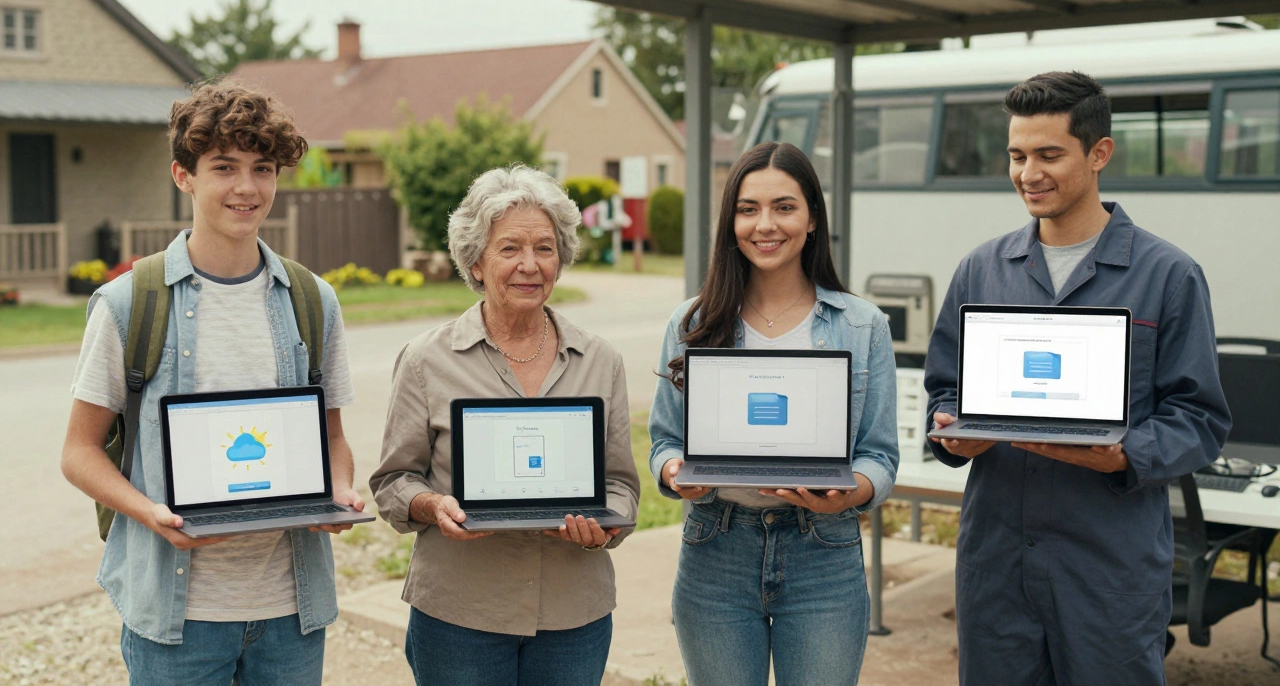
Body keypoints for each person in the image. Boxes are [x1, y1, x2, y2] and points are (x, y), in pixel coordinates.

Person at [925, 71, 1232, 684]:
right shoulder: (981, 270)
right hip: (998, 567)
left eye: (1048, 154)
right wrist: (951, 432)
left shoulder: (1168, 275)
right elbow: (944, 388)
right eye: (1016, 155)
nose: (1027, 173)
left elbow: (1201, 419)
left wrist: (1121, 455)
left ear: (1099, 154)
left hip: (1108, 570)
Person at [59, 79, 362, 684]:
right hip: (178, 621)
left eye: (263, 167)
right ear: (183, 175)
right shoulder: (129, 303)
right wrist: (152, 514)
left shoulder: (312, 300)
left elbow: (332, 439)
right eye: (224, 166)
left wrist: (340, 491)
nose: (246, 188)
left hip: (291, 613)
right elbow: (78, 453)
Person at [369, 165, 641, 686]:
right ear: (475, 261)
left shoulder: (600, 361)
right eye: (510, 248)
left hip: (573, 615)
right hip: (460, 614)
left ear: (561, 258)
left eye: (545, 248)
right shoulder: (427, 360)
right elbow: (392, 483)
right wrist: (432, 505)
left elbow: (623, 486)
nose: (529, 265)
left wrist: (603, 527)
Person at [648, 141, 899, 686]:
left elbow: (879, 455)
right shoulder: (691, 322)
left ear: (812, 219)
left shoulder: (862, 325)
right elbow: (665, 441)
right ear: (730, 221)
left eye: (784, 207)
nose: (766, 224)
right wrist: (675, 474)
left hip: (824, 554)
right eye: (748, 209)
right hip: (716, 549)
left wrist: (849, 491)